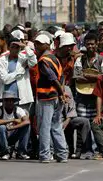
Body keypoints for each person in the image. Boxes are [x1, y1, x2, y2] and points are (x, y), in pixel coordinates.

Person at [33, 33, 68, 163]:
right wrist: (61, 93)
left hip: (47, 97)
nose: (36, 46)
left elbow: (52, 78)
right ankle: (62, 154)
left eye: (39, 44)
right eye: (36, 43)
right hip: (56, 97)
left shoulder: (44, 61)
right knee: (56, 126)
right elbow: (62, 76)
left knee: (45, 126)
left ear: (47, 45)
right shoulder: (55, 58)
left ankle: (45, 155)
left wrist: (61, 92)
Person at [0, 36, 36, 113]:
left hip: (23, 98)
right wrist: (19, 72)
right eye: (13, 47)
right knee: (7, 122)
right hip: (7, 99)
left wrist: (26, 47)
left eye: (18, 47)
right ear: (9, 48)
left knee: (23, 121)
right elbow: (5, 79)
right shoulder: (2, 60)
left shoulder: (24, 58)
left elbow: (34, 62)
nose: (15, 49)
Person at [73, 32, 103, 121]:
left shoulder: (102, 59)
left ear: (97, 44)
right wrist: (95, 77)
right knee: (82, 123)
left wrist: (86, 74)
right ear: (84, 44)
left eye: (92, 44)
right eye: (88, 44)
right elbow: (77, 77)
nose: (90, 46)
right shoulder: (80, 59)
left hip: (97, 99)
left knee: (96, 125)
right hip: (82, 97)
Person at [0, 92, 30, 160]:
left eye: (11, 100)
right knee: (1, 127)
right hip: (2, 137)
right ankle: (5, 152)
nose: (9, 102)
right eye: (7, 100)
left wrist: (13, 127)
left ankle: (21, 152)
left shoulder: (18, 110)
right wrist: (12, 120)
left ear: (14, 102)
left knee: (27, 126)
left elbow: (27, 121)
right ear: (3, 101)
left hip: (13, 135)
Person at [62, 86, 93, 160]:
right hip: (56, 121)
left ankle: (86, 151)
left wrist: (68, 119)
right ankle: (66, 151)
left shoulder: (67, 89)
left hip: (68, 118)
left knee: (84, 121)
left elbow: (72, 107)